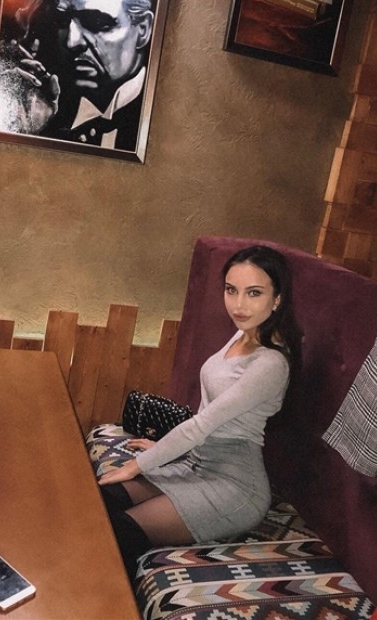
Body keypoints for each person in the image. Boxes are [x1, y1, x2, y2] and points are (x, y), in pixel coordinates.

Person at [97, 245, 302, 585]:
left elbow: (202, 425)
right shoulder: (243, 334)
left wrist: (138, 465)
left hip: (234, 488)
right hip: (196, 465)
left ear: (277, 299)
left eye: (254, 293)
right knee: (101, 500)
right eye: (231, 290)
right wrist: (165, 448)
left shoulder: (270, 363)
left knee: (118, 532)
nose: (238, 304)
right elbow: (210, 412)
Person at [0, 0, 154, 152]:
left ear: (143, 30)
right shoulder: (43, 110)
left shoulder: (169, 119)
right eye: (62, 20)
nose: (72, 42)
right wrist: (30, 131)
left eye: (95, 21)